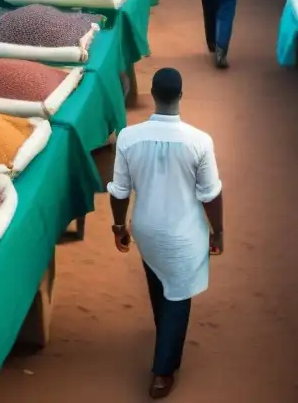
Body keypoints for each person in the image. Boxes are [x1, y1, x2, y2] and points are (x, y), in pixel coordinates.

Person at [109, 68, 224, 400]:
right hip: (184, 233)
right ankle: (162, 372)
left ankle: (165, 336)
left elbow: (119, 191)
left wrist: (119, 226)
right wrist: (218, 231)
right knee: (177, 294)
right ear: (181, 96)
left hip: (145, 228)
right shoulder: (199, 141)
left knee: (158, 280)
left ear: (154, 94)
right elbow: (211, 193)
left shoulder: (129, 137)